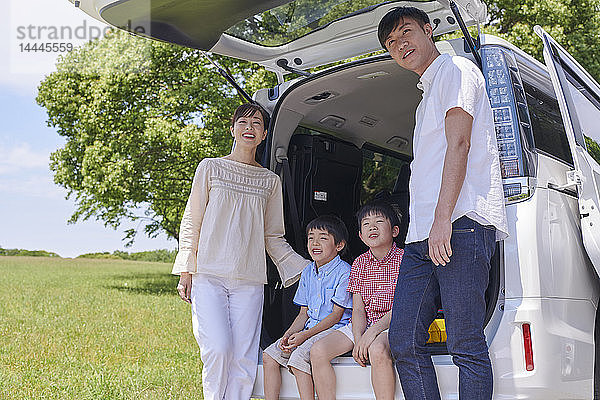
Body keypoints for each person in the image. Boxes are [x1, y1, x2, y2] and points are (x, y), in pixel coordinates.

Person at [378, 6, 509, 400]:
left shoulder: (455, 71)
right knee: (403, 341)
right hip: (422, 237)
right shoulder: (426, 95)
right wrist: (427, 228)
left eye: (406, 33)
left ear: (428, 30)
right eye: (391, 43)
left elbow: (460, 143)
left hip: (460, 224)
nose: (401, 45)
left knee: (465, 343)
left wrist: (442, 220)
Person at [173, 103, 309, 400]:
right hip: (209, 276)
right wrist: (186, 269)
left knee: (244, 359)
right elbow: (192, 220)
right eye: (244, 122)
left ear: (263, 135)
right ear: (232, 129)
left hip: (250, 282)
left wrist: (309, 268)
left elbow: (273, 236)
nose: (250, 127)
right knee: (218, 348)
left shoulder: (270, 182)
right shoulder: (210, 167)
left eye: (257, 123)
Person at [310, 202, 404, 400]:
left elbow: (401, 308)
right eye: (366, 223)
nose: (372, 227)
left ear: (395, 230)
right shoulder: (359, 263)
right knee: (318, 351)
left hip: (393, 324)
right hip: (364, 324)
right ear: (360, 235)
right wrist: (359, 337)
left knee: (377, 349)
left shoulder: (405, 260)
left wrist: (370, 334)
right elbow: (358, 310)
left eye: (379, 221)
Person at [263, 215, 353, 400]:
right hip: (309, 329)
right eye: (311, 237)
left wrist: (304, 336)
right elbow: (303, 314)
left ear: (339, 245)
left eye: (323, 237)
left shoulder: (344, 272)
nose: (315, 243)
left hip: (333, 330)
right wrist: (288, 335)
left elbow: (336, 316)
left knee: (297, 360)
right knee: (269, 355)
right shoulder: (307, 272)